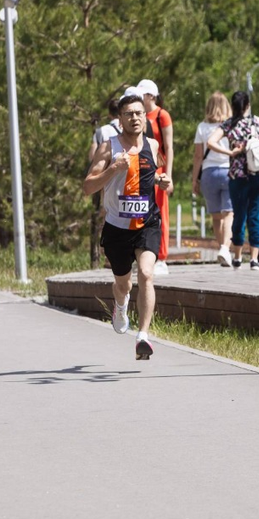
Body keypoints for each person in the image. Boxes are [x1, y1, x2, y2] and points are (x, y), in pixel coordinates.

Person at [83, 92, 172, 360]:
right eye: (129, 114)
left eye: (139, 113)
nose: (135, 118)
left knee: (146, 274)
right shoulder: (108, 148)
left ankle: (143, 335)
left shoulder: (153, 146)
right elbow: (88, 187)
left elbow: (153, 177)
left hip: (147, 222)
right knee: (124, 285)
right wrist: (113, 169)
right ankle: (120, 305)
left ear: (145, 117)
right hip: (117, 228)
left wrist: (162, 182)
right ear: (120, 119)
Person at [207, 90, 259, 271]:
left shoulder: (229, 124)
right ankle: (254, 259)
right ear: (248, 106)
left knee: (239, 216)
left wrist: (230, 153)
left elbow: (210, 142)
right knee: (256, 215)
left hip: (237, 177)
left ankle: (237, 257)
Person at [190, 92, 234, 268]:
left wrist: (195, 180)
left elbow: (198, 156)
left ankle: (223, 249)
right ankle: (225, 248)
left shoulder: (202, 127)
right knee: (229, 213)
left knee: (216, 217)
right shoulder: (231, 126)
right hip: (229, 172)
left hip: (209, 174)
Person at [136, 80, 174, 274]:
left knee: (161, 214)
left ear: (150, 95)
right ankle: (143, 254)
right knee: (142, 212)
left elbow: (169, 147)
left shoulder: (161, 115)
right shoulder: (139, 115)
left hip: (159, 171)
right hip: (142, 170)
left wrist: (169, 175)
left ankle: (162, 257)